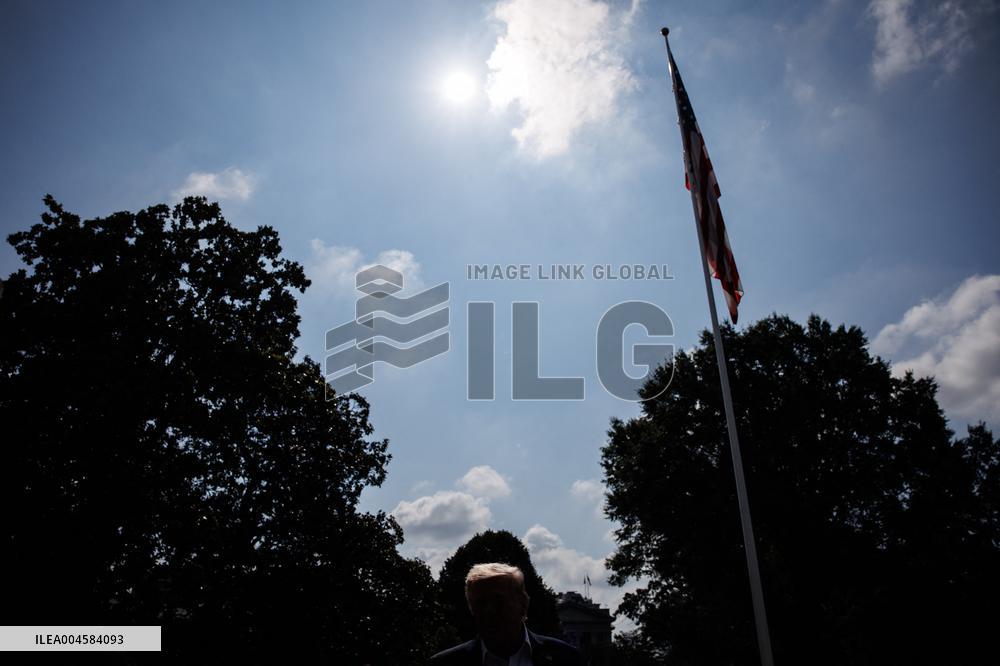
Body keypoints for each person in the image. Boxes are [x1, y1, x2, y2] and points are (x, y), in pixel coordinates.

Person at [429, 562, 585, 665]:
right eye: (480, 602)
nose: (489, 610)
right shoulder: (444, 663)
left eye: (498, 600)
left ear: (523, 603)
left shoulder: (566, 659)